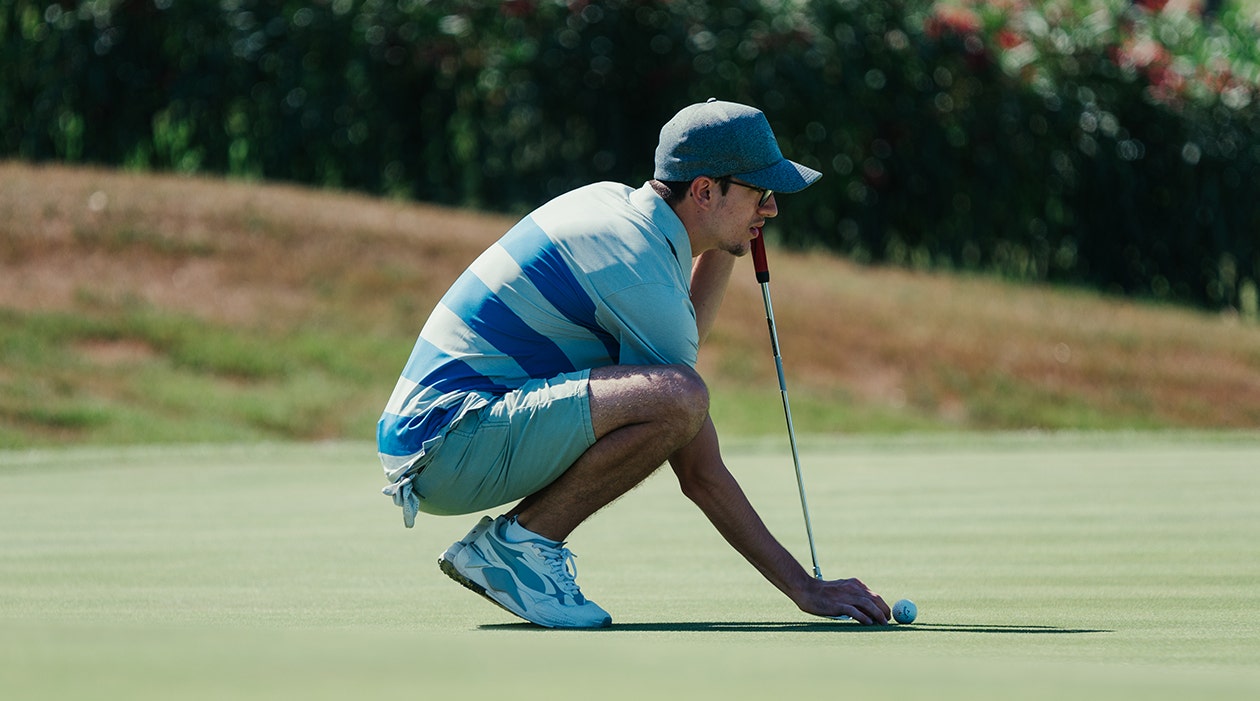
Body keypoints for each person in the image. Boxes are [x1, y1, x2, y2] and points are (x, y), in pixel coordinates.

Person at [377, 99, 890, 628]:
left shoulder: (619, 211)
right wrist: (803, 588)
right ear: (705, 191)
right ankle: (519, 548)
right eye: (760, 193)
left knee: (677, 393)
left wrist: (724, 242)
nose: (772, 209)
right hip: (448, 444)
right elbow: (697, 465)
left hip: (449, 435)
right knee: (680, 398)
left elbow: (676, 346)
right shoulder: (635, 265)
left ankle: (519, 543)